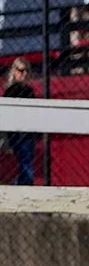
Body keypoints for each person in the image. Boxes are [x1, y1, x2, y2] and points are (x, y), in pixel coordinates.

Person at [3, 57, 38, 186]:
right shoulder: (11, 91)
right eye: (21, 70)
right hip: (16, 135)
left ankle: (21, 189)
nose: (25, 74)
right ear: (14, 72)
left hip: (27, 134)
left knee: (26, 165)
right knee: (25, 166)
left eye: (27, 71)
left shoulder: (29, 91)